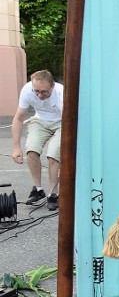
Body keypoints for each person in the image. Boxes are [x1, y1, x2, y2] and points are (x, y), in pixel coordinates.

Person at [11, 70, 63, 211]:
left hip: (61, 122)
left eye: (44, 92)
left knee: (53, 154)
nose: (39, 95)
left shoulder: (61, 94)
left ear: (52, 86)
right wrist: (16, 148)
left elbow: (72, 122)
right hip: (40, 120)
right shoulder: (28, 90)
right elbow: (19, 118)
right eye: (37, 91)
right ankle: (38, 190)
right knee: (31, 151)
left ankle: (53, 194)